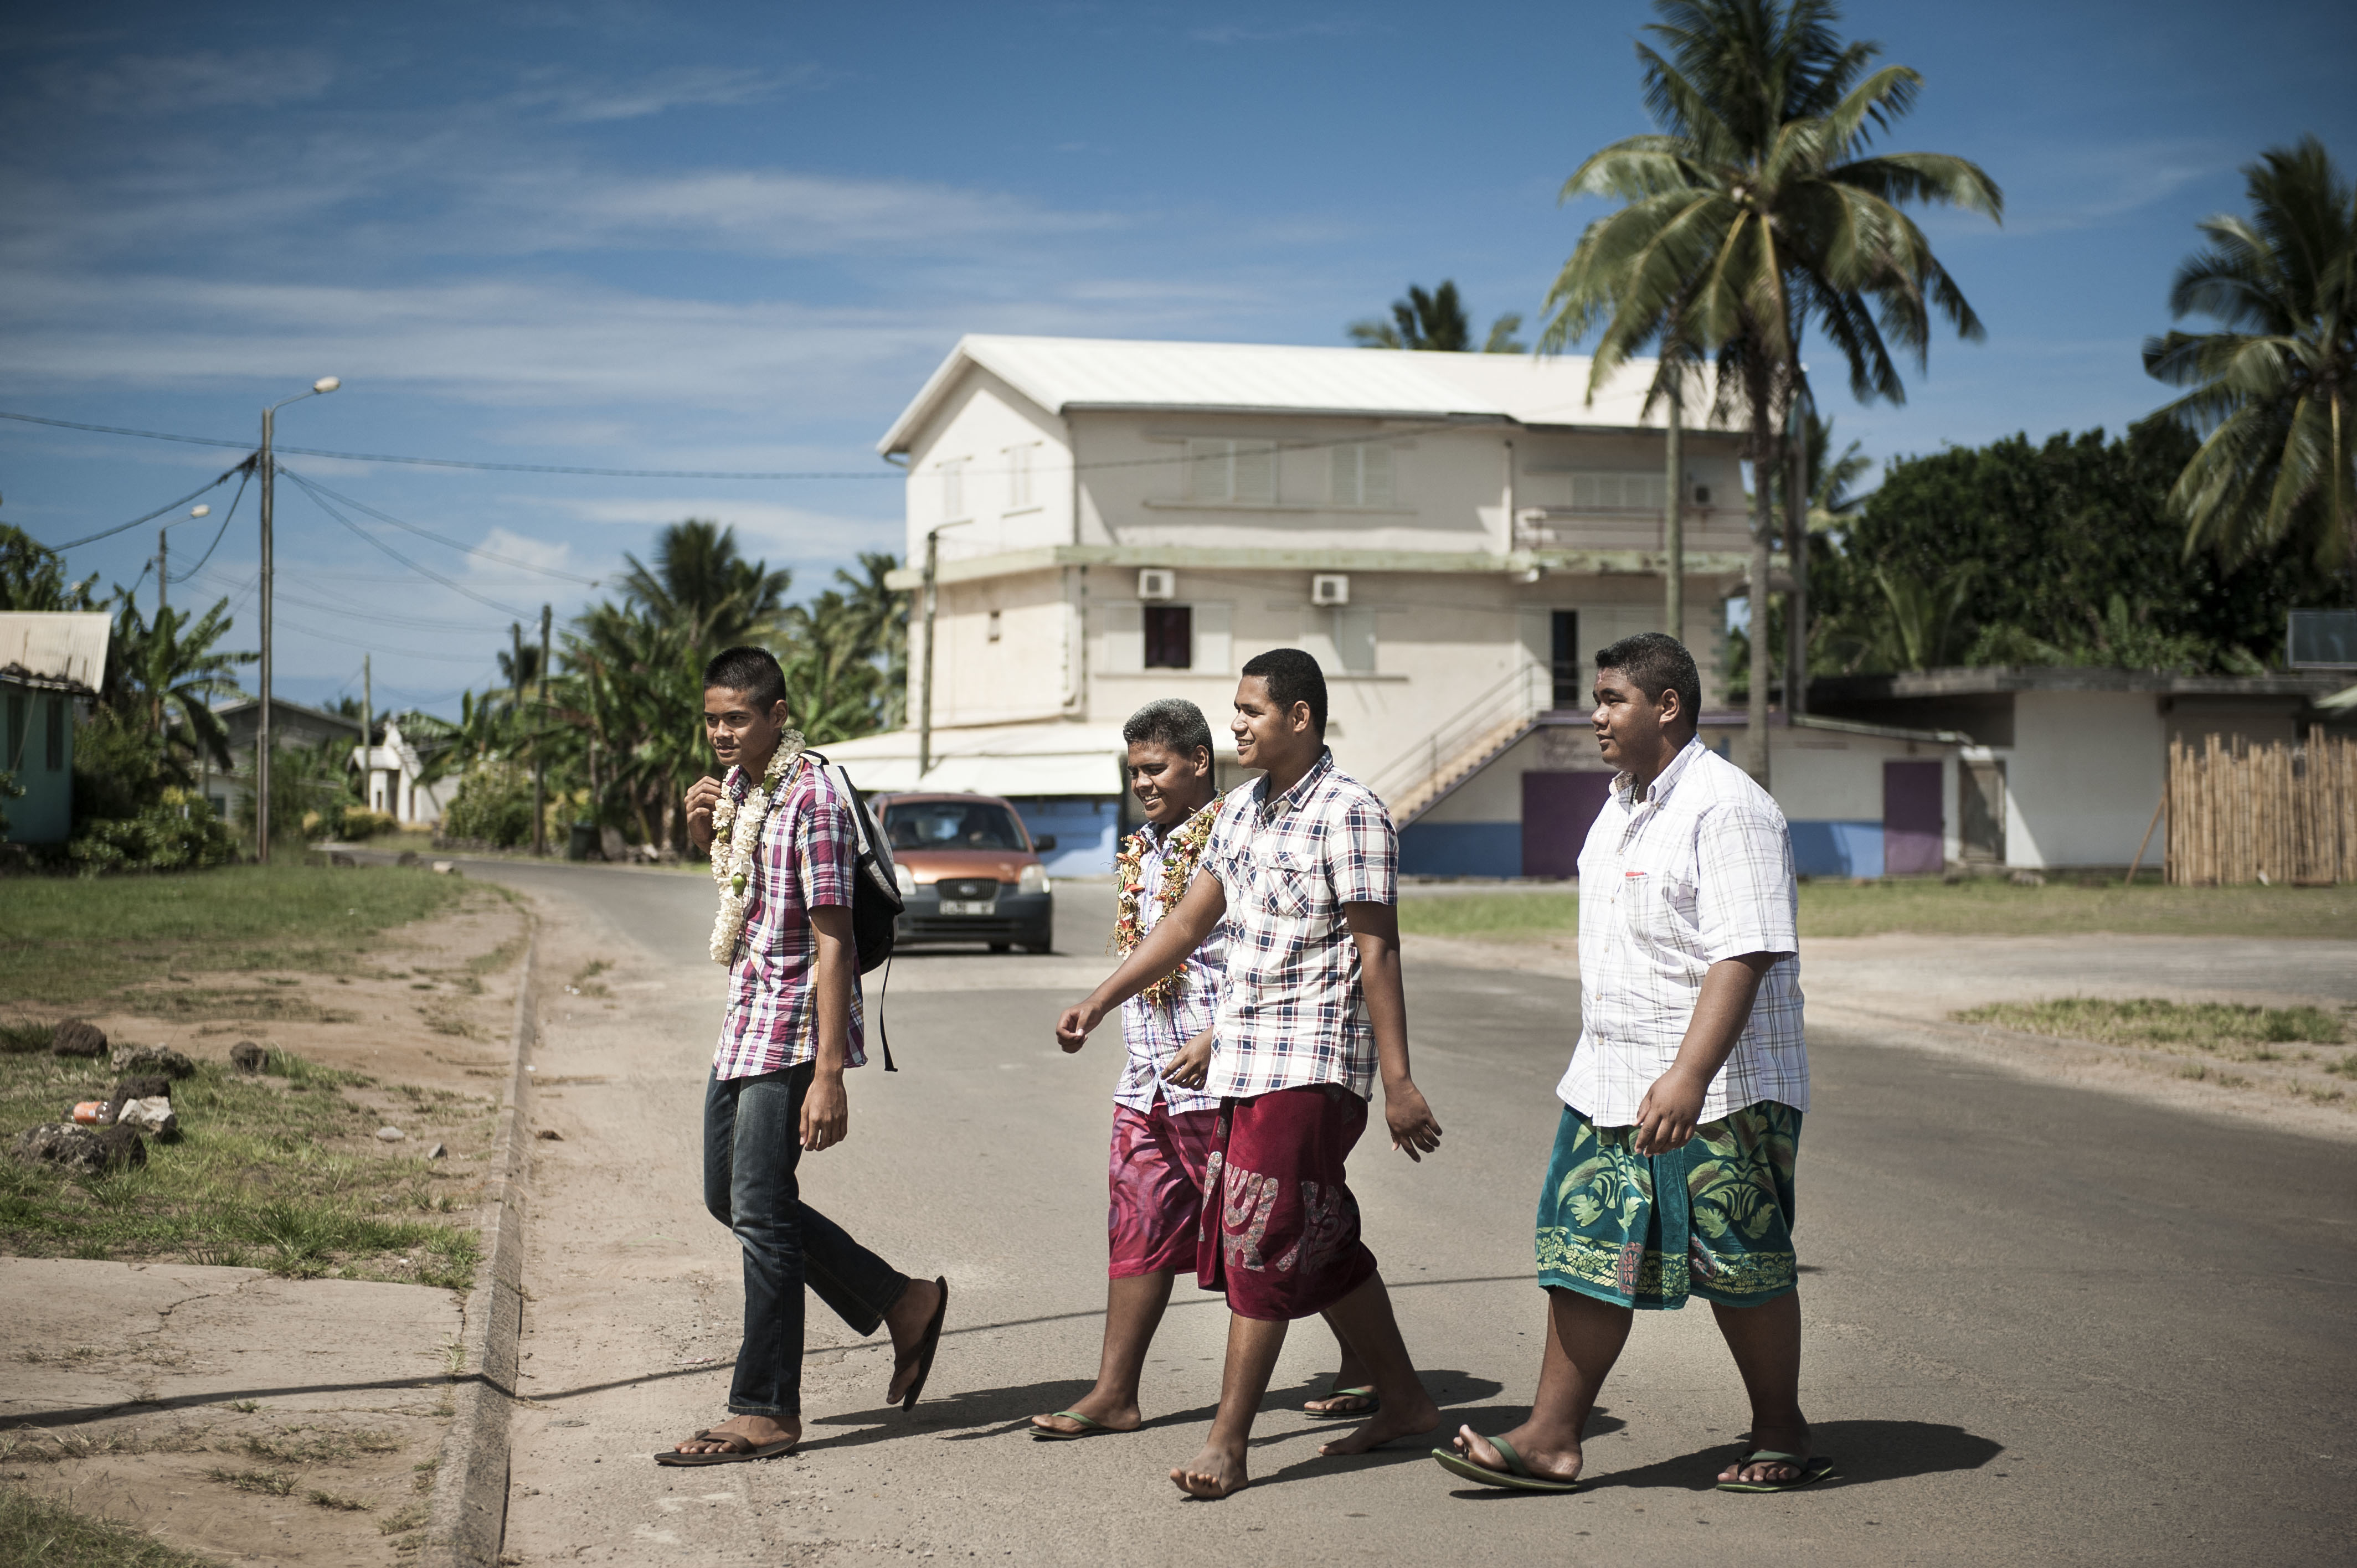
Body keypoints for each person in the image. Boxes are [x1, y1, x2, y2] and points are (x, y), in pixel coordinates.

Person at [1434, 632, 1831, 1495]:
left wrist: (1689, 1075)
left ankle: (1782, 1429)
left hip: (1720, 1086)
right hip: (1611, 1079)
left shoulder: (1729, 808)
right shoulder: (1619, 806)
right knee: (1583, 1246)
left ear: (1668, 706)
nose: (1597, 716)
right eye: (1598, 699)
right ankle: (1551, 1438)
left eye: (1613, 699)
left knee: (1738, 1257)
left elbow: (1744, 952)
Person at [1056, 649, 1445, 1499]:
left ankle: (1228, 1443)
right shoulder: (1239, 812)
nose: (1236, 723)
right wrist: (1101, 999)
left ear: (1299, 718)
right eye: (1236, 710)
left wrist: (1399, 1081)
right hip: (1245, 1063)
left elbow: (1378, 950)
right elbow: (1187, 924)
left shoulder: (1352, 814)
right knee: (1317, 1234)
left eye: (1252, 711)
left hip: (1311, 1061)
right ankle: (1408, 1400)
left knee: (1259, 1239)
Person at [1031, 699, 1370, 1441]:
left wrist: (1221, 1036)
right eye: (1134, 772)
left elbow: (1264, 947)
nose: (1143, 784)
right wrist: (1098, 1003)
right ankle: (1115, 1392)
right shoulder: (1146, 848)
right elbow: (1165, 943)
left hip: (1223, 1076)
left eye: (1155, 769)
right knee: (1139, 1223)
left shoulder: (1237, 830)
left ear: (1197, 763)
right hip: (1148, 1076)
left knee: (1279, 1226)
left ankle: (1370, 1361)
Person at [657, 646, 949, 1466]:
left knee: (759, 1209)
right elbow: (746, 901)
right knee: (730, 1198)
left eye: (737, 718)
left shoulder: (812, 798)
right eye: (712, 719)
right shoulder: (742, 789)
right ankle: (903, 1301)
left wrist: (828, 1076)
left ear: (778, 715)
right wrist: (702, 835)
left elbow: (835, 940)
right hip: (744, 1021)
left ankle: (766, 1410)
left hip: (791, 1029)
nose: (722, 733)